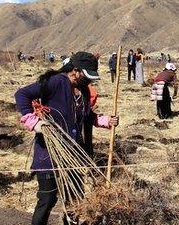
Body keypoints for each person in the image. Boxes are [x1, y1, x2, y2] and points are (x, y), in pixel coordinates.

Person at [15, 52, 119, 225]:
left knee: (74, 201)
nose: (89, 81)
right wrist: (33, 121)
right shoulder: (56, 82)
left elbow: (85, 116)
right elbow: (22, 94)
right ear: (76, 70)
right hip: (49, 155)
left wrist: (105, 120)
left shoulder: (84, 90)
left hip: (73, 154)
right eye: (87, 76)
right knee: (47, 201)